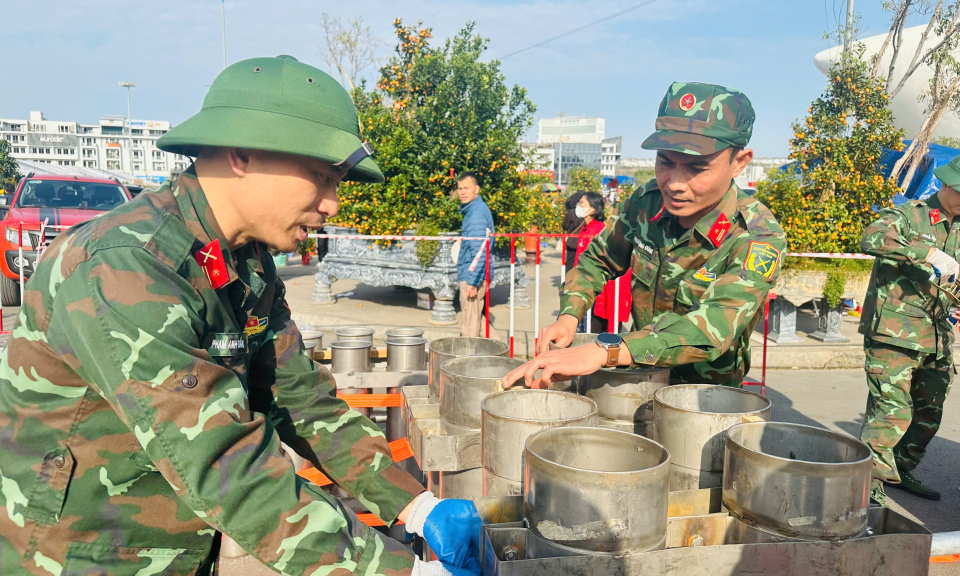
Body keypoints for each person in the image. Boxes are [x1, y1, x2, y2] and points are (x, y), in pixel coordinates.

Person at [0, 56, 480, 576]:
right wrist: (398, 571)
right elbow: (224, 462)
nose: (334, 204)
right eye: (322, 178)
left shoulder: (243, 262)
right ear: (242, 154)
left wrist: (414, 505)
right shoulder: (125, 267)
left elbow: (300, 400)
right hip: (72, 556)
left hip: (168, 551)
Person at [501, 82, 786, 390]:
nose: (675, 183)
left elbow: (712, 328)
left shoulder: (756, 236)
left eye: (698, 168)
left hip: (704, 400)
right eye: (665, 161)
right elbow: (598, 260)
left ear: (739, 163)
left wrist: (604, 351)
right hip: (639, 379)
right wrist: (569, 316)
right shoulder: (646, 202)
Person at [857, 154, 960, 506]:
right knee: (890, 412)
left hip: (937, 337)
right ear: (946, 185)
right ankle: (865, 485)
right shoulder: (909, 214)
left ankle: (899, 470)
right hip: (893, 334)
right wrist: (925, 251)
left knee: (929, 412)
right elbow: (870, 237)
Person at [574, 192, 632, 333]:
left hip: (602, 286)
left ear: (593, 209)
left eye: (582, 204)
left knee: (602, 325)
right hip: (586, 281)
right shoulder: (584, 229)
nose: (578, 206)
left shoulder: (599, 231)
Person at [457, 172, 498, 339]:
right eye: (460, 188)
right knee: (477, 319)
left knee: (470, 322)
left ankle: (469, 358)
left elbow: (479, 250)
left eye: (466, 188)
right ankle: (501, 352)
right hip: (474, 273)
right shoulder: (475, 210)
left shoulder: (475, 215)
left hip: (472, 275)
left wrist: (472, 282)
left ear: (476, 189)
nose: (462, 192)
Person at [562, 190, 587, 272]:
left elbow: (565, 226)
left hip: (572, 242)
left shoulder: (571, 212)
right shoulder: (588, 212)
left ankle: (568, 281)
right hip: (585, 241)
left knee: (570, 263)